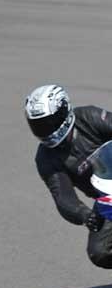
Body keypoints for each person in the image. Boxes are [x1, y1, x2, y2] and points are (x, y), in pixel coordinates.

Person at [25, 84, 112, 268]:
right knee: (99, 252)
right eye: (38, 125)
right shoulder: (45, 159)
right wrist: (85, 215)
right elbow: (63, 197)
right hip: (108, 199)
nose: (44, 130)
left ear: (64, 111)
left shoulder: (90, 117)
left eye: (48, 123)